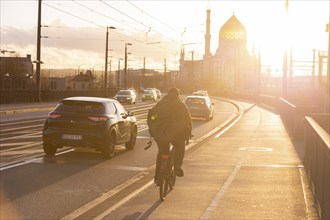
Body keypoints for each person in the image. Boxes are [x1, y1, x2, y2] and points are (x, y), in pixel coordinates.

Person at [152, 87, 192, 185]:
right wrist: (188, 133)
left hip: (162, 135)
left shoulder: (161, 104)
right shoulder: (181, 105)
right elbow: (188, 120)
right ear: (178, 95)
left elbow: (152, 116)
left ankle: (157, 177)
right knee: (180, 148)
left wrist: (154, 125)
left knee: (162, 153)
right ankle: (177, 166)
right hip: (177, 135)